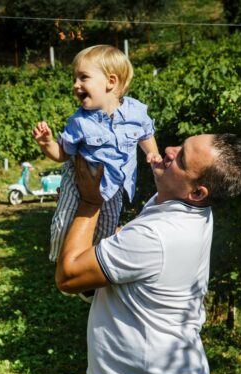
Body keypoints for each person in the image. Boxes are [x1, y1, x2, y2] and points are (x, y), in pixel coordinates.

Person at [55, 133, 241, 374]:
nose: (169, 150)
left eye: (181, 159)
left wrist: (90, 203)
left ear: (196, 192)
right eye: (181, 145)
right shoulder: (182, 208)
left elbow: (68, 277)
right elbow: (134, 259)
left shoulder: (159, 235)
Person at [32, 45, 161, 302]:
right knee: (63, 220)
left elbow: (145, 133)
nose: (76, 85)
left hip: (115, 185)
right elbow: (63, 154)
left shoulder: (136, 112)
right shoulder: (79, 122)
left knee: (106, 229)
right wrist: (47, 143)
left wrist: (153, 154)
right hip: (78, 182)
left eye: (83, 77)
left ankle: (89, 272)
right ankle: (62, 261)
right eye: (75, 79)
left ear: (110, 82)